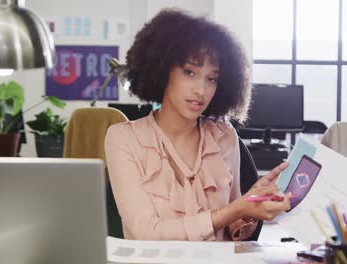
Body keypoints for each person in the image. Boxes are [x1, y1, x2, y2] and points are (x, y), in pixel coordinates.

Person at [105, 9, 291, 241]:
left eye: (211, 78)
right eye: (189, 72)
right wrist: (233, 210)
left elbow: (231, 229)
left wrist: (249, 208)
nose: (201, 90)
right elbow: (146, 232)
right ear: (162, 70)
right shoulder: (123, 139)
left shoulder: (225, 136)